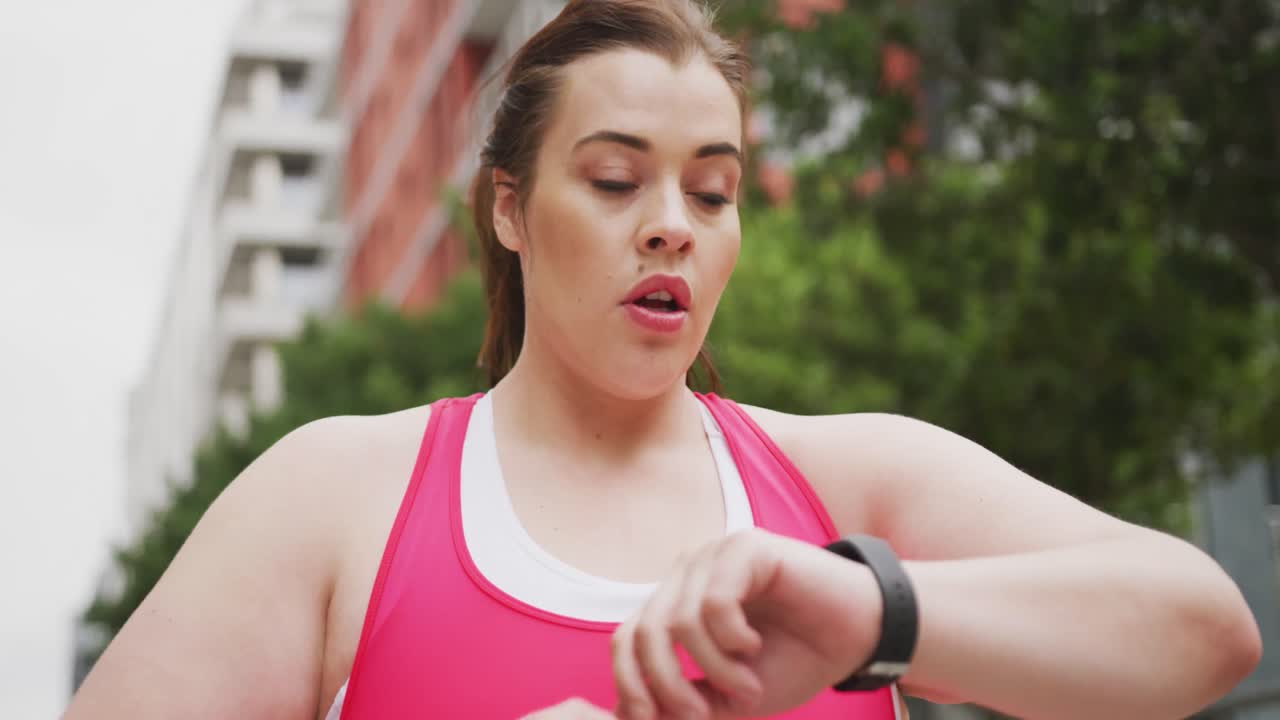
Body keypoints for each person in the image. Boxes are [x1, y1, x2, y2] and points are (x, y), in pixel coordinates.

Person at [66, 1, 1262, 718]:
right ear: (507, 210)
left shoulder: (845, 485)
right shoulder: (336, 494)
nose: (671, 225)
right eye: (613, 178)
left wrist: (872, 609)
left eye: (713, 188)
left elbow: (1202, 631)